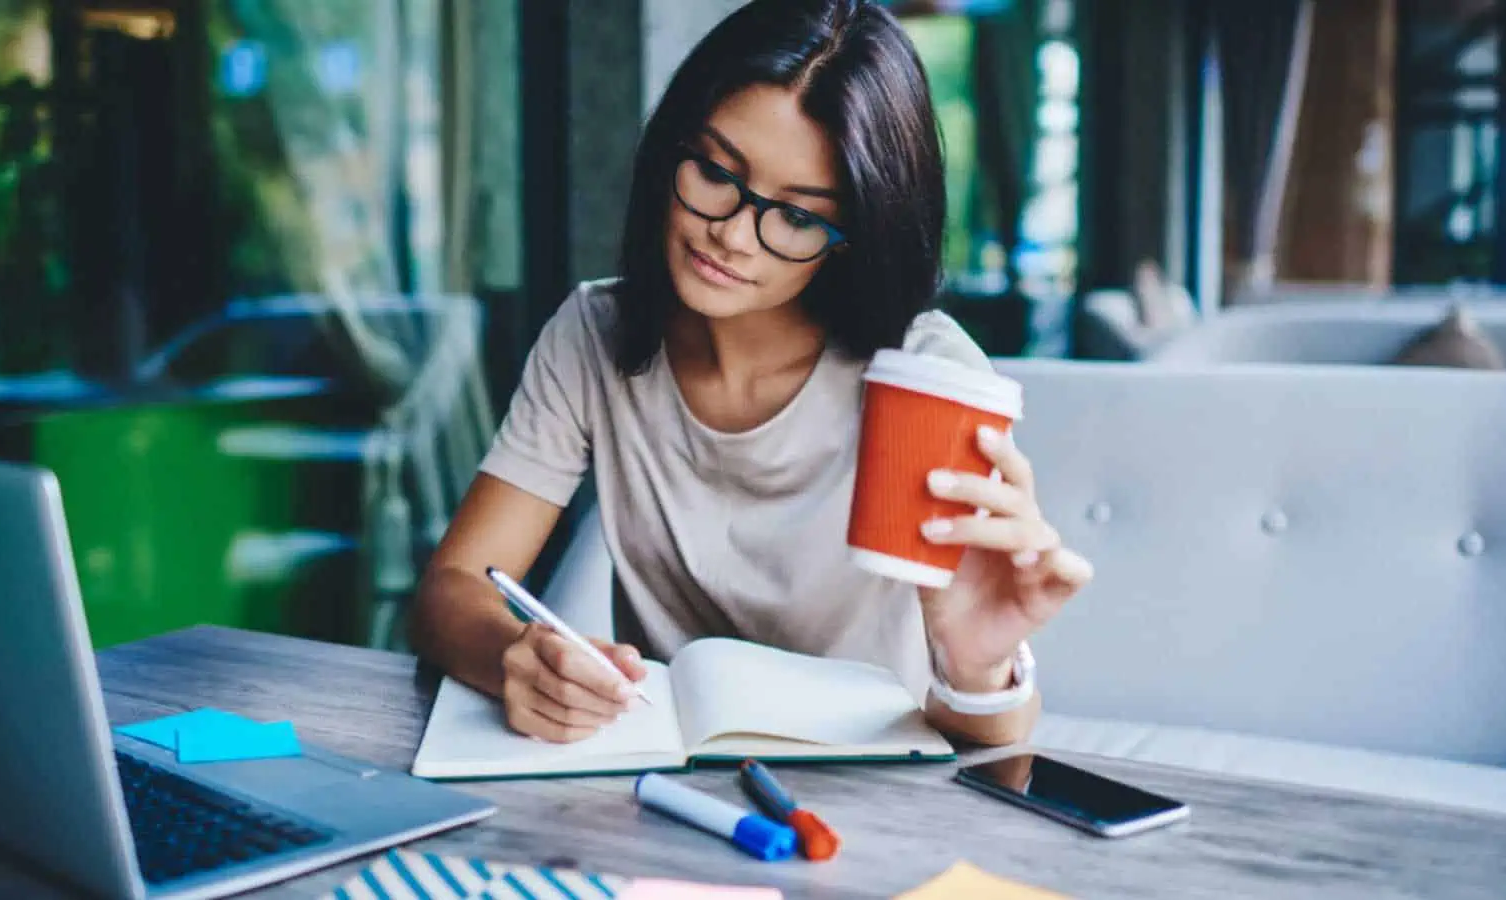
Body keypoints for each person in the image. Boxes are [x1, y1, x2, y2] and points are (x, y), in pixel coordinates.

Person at [410, 0, 1092, 748]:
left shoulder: (923, 377)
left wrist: (975, 664)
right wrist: (518, 657)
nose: (732, 236)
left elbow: (995, 754)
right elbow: (454, 587)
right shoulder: (595, 335)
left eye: (798, 217)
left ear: (853, 235)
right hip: (666, 782)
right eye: (712, 170)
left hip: (874, 793)